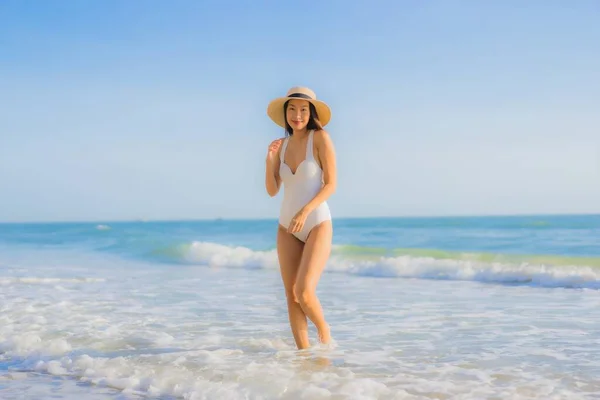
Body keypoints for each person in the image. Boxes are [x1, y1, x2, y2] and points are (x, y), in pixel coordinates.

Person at [264, 86, 337, 350]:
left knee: (303, 293)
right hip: (286, 227)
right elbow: (272, 190)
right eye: (292, 109)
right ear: (285, 113)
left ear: (311, 113)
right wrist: (269, 160)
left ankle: (324, 332)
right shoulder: (281, 146)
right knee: (290, 296)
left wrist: (305, 211)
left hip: (316, 222)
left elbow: (331, 185)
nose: (298, 115)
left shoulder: (320, 138)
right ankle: (303, 357)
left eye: (303, 110)